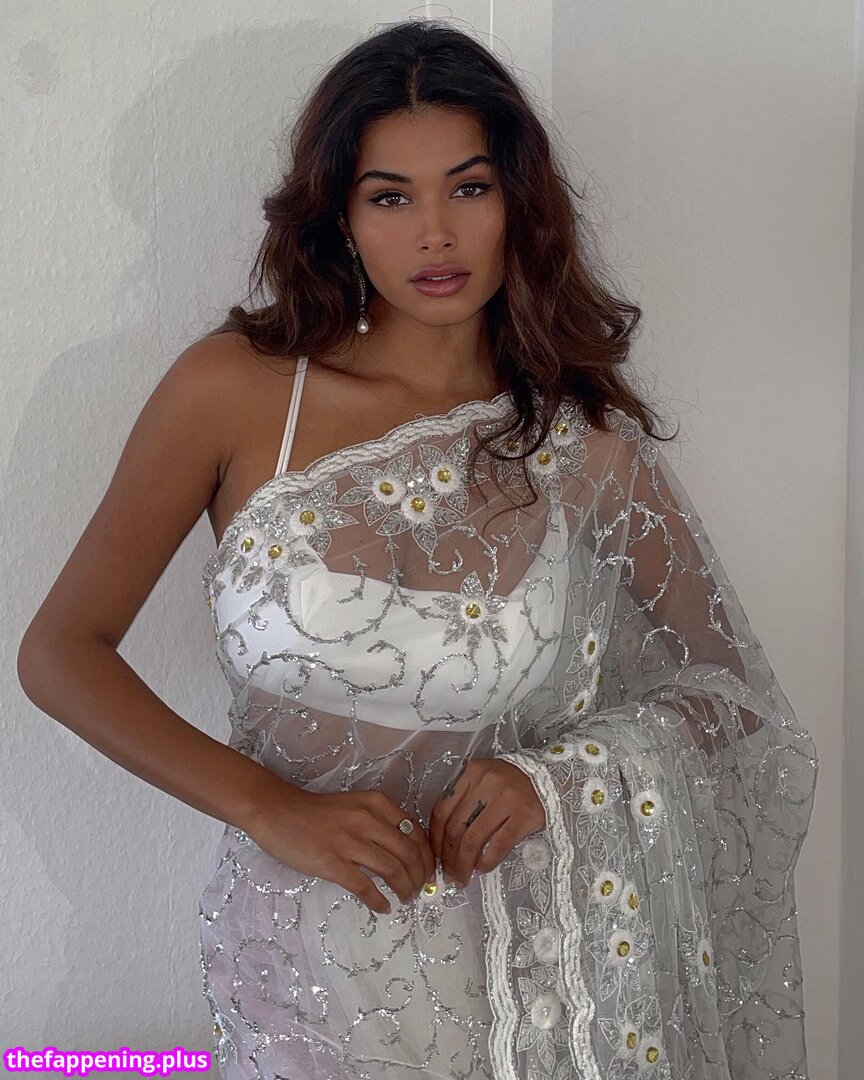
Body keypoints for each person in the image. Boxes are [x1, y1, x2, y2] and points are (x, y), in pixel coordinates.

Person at [18, 18, 818, 1080]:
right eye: (390, 197)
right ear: (340, 218)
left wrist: (560, 779)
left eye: (469, 189)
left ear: (517, 203)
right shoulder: (239, 392)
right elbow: (61, 653)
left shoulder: (579, 447)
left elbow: (734, 693)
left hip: (529, 984)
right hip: (298, 967)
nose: (435, 234)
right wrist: (271, 807)